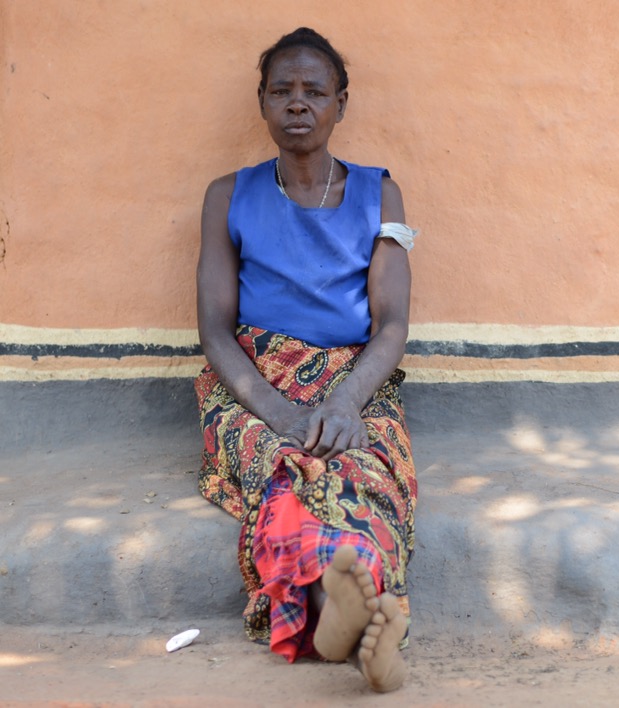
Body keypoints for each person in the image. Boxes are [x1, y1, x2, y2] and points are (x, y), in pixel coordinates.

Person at [193, 27, 417, 693]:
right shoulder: (227, 195)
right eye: (281, 91)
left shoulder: (380, 194)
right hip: (251, 379)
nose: (297, 103)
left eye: (314, 92)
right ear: (261, 103)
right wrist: (279, 412)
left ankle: (348, 602)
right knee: (283, 463)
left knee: (367, 465)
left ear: (340, 105)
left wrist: (346, 402)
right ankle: (336, 605)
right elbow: (213, 329)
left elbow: (393, 323)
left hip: (356, 376)